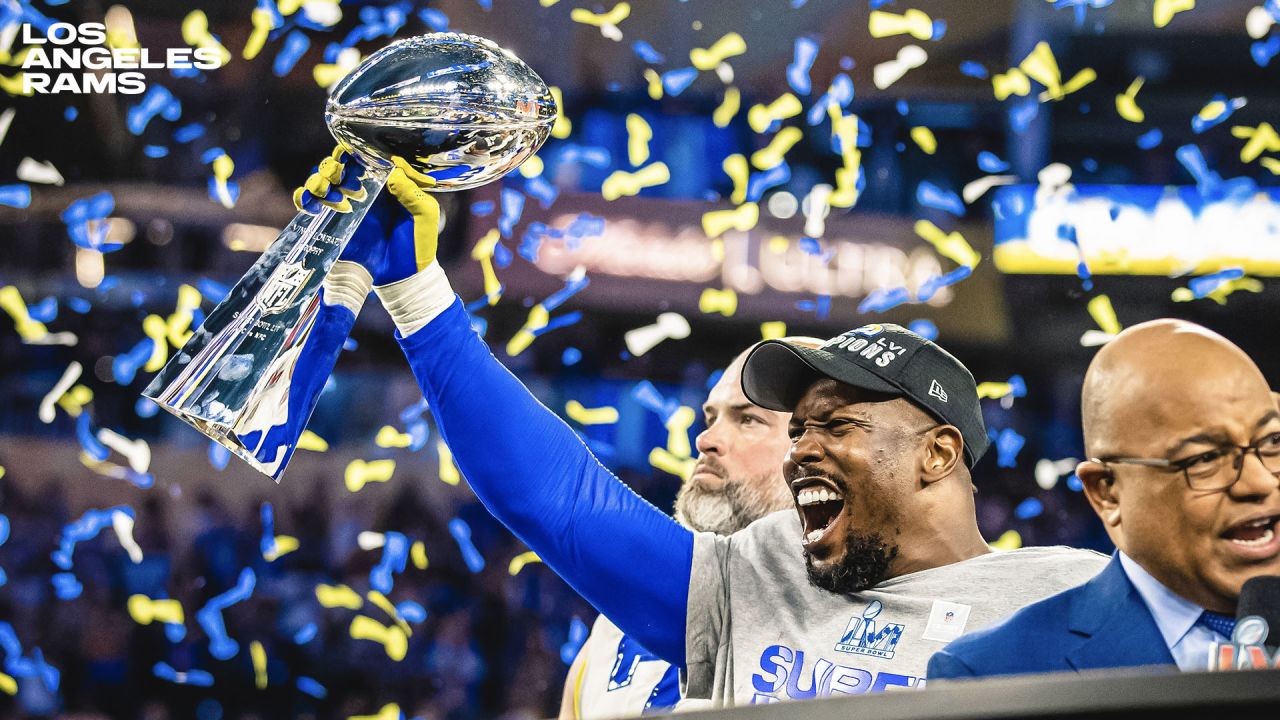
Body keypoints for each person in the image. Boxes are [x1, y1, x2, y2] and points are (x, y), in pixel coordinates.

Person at [319, 153, 1107, 706]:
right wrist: (417, 293)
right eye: (797, 428)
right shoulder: (756, 575)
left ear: (937, 454)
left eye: (834, 424)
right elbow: (558, 499)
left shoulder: (1069, 599)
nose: (804, 449)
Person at [928, 319, 1280, 679]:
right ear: (1107, 492)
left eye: (1272, 442)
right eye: (1205, 459)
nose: (1259, 482)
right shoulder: (994, 674)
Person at [559, 340, 817, 720]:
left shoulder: (846, 629)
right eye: (711, 418)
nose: (706, 440)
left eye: (748, 420)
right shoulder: (614, 629)